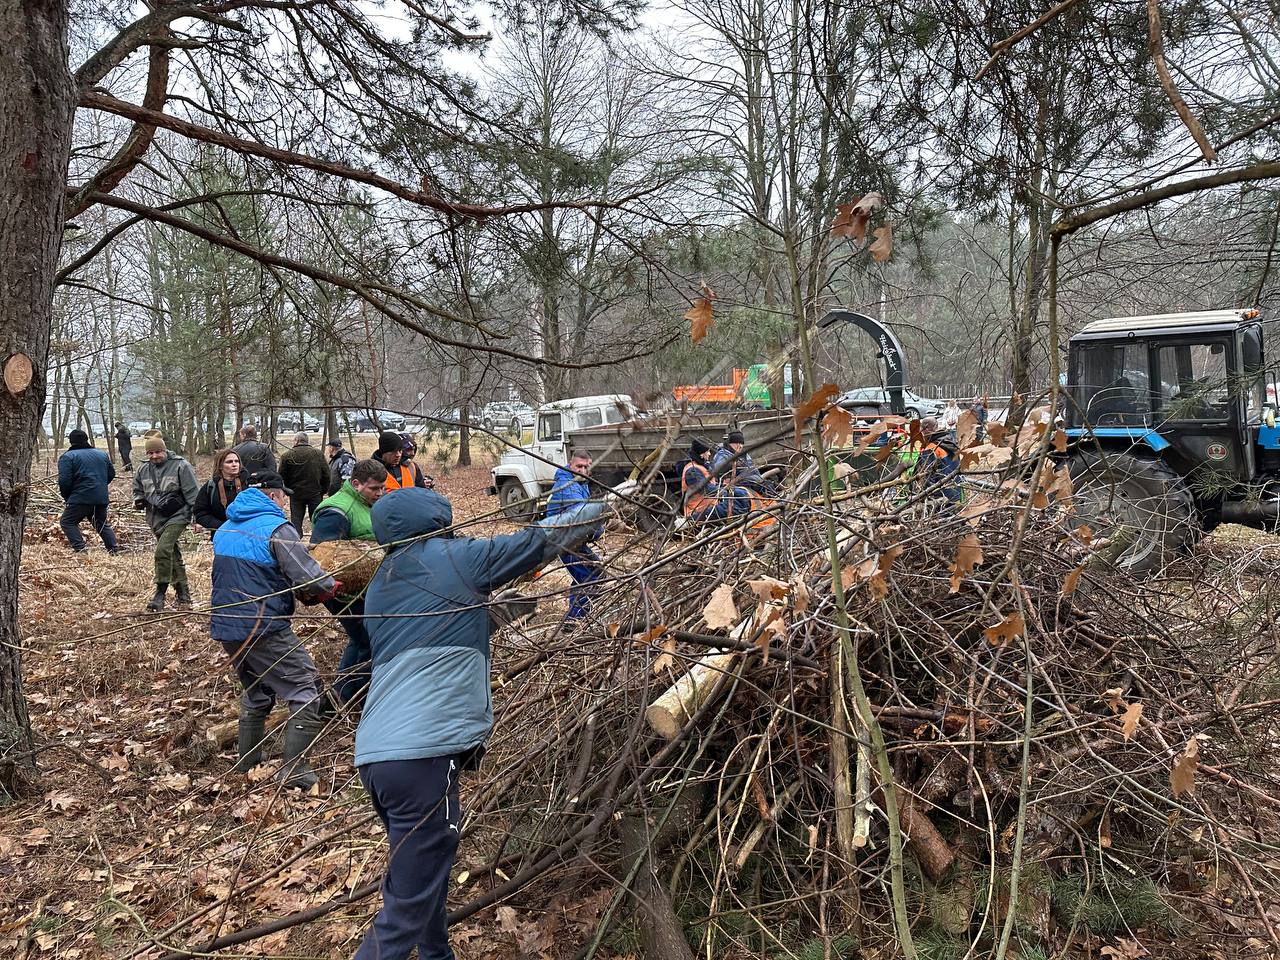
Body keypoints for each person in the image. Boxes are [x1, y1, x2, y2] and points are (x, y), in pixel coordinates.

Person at [351, 479, 631, 960]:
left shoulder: (383, 583)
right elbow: (537, 540)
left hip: (379, 757)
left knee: (422, 877)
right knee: (401, 914)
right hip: (424, 754)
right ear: (438, 524)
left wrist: (498, 612)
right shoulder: (454, 559)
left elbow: (437, 633)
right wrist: (609, 503)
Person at [211, 471, 341, 789]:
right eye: (283, 496)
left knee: (257, 694)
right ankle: (295, 769)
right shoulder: (277, 528)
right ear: (272, 496)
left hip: (227, 625)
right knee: (305, 691)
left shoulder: (226, 527)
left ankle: (248, 764)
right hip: (263, 626)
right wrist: (331, 586)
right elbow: (309, 576)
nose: (285, 501)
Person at [312, 459, 389, 704]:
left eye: (382, 488)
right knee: (369, 640)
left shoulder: (365, 504)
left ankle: (339, 696)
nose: (380, 493)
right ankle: (348, 696)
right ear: (356, 484)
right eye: (375, 488)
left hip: (367, 590)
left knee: (362, 640)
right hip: (343, 593)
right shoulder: (336, 511)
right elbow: (325, 556)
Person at [132, 435, 199, 611]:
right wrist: (138, 499)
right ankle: (183, 593)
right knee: (172, 552)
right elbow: (137, 489)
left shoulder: (181, 466)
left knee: (163, 550)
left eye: (158, 451)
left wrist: (197, 518)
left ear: (165, 450)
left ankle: (160, 593)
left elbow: (193, 493)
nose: (154, 456)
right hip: (155, 517)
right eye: (150, 453)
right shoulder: (143, 469)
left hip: (178, 515)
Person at [545, 451, 603, 621]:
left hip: (573, 540)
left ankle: (580, 611)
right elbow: (584, 518)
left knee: (590, 574)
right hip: (565, 542)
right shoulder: (568, 487)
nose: (583, 470)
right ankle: (574, 620)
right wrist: (599, 530)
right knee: (590, 575)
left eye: (586, 466)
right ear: (571, 465)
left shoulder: (580, 482)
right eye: (579, 466)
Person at [58, 429, 120, 554]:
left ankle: (81, 550)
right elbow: (111, 474)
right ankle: (114, 550)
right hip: (101, 497)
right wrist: (99, 486)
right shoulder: (102, 454)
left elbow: (64, 481)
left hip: (80, 497)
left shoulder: (67, 457)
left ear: (71, 442)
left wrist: (67, 496)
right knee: (100, 523)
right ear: (86, 439)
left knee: (67, 522)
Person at [682, 437, 749, 521]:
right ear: (701, 453)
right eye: (708, 451)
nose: (710, 454)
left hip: (707, 511)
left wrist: (723, 485)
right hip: (697, 514)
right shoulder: (692, 471)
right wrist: (727, 490)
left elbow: (711, 485)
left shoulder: (702, 466)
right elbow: (707, 490)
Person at [279, 432, 330, 532]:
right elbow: (327, 474)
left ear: (297, 441)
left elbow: (281, 476)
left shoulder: (287, 455)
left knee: (296, 521)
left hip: (295, 493)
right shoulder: (317, 454)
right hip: (315, 493)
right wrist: (323, 490)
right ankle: (317, 540)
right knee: (316, 520)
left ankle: (296, 542)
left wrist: (287, 490)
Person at [193, 448, 249, 534]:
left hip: (248, 533)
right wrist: (222, 526)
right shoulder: (210, 487)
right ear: (220, 466)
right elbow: (201, 513)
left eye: (236, 461)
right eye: (229, 462)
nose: (234, 464)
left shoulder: (249, 484)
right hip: (220, 534)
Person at [710, 430, 773, 495]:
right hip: (733, 483)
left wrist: (759, 478)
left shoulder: (744, 455)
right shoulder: (722, 453)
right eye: (736, 443)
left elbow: (753, 469)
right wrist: (733, 464)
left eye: (741, 443)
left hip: (750, 479)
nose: (740, 446)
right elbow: (718, 467)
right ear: (730, 443)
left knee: (768, 485)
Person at [915, 418, 961, 506]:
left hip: (941, 498)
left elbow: (927, 478)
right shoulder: (950, 442)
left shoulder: (931, 449)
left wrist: (924, 497)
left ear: (926, 429)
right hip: (956, 491)